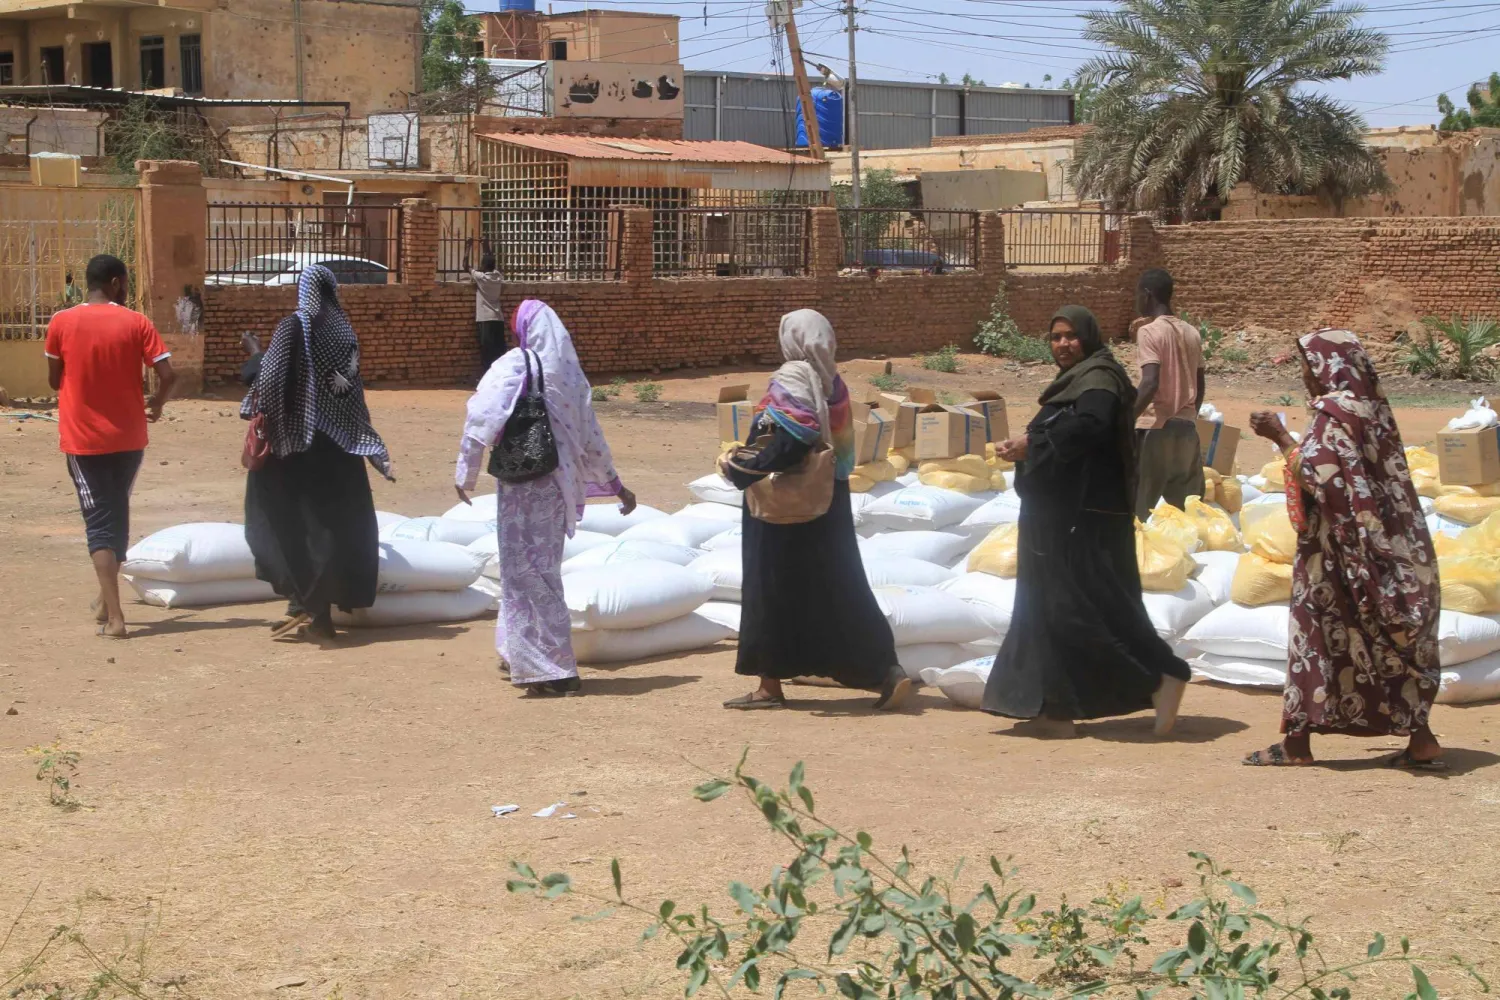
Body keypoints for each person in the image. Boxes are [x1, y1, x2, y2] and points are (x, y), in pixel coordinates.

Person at [982, 306, 1189, 734]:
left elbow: (1089, 428)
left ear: (1090, 337)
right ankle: (1056, 710)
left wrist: (1033, 444)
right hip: (1063, 514)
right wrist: (1031, 444)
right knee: (1064, 609)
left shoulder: (1099, 380)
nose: (1063, 344)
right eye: (1056, 337)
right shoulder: (1081, 380)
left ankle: (1156, 677)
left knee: (1073, 610)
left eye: (1072, 336)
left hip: (1082, 519)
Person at [1243, 330, 1444, 768]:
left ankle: (1296, 745)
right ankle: (1421, 737)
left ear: (1325, 368)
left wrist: (1280, 438)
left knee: (1314, 636)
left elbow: (1324, 478)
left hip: (1338, 553)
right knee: (1384, 637)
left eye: (1308, 365)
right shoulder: (1374, 409)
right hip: (1389, 546)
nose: (1305, 375)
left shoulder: (1333, 413)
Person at [719, 309, 910, 712]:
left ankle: (769, 686)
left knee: (770, 588)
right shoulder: (833, 383)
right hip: (829, 498)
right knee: (838, 586)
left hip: (785, 507)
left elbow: (793, 437)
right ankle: (884, 669)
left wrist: (741, 468)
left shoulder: (791, 377)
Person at [454, 299, 637, 697]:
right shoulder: (571, 376)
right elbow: (592, 440)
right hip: (557, 489)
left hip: (523, 486)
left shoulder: (515, 364)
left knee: (523, 577)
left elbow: (482, 418)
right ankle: (518, 652)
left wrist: (465, 473)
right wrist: (616, 485)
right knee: (543, 572)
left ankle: (551, 670)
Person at [241, 264, 392, 643]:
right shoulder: (345, 331)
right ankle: (313, 611)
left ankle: (308, 606)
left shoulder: (297, 326)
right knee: (330, 529)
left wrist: (255, 355)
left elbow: (271, 380)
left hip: (298, 445)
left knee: (278, 521)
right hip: (341, 446)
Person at [45, 254, 176, 639]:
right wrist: (157, 403)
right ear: (117, 283)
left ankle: (116, 619)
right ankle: (105, 602)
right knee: (116, 512)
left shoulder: (61, 322)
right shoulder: (138, 323)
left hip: (83, 441)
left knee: (99, 522)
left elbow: (54, 381)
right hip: (130, 438)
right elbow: (168, 374)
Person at [1132, 268, 1206, 520]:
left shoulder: (1149, 331)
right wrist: (1190, 413)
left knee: (1138, 510)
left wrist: (1124, 419)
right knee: (1187, 512)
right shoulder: (1192, 333)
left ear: (1148, 294)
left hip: (1155, 428)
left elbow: (1150, 382)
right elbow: (1200, 382)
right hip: (1187, 430)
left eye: (1138, 295)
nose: (1137, 301)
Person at [470, 250, 507, 372]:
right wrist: (486, 245)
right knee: (498, 351)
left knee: (487, 351)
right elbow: (491, 258)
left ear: (484, 266)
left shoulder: (482, 278)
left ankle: (487, 378)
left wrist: (468, 247)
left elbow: (466, 266)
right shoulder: (498, 277)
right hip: (498, 318)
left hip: (485, 319)